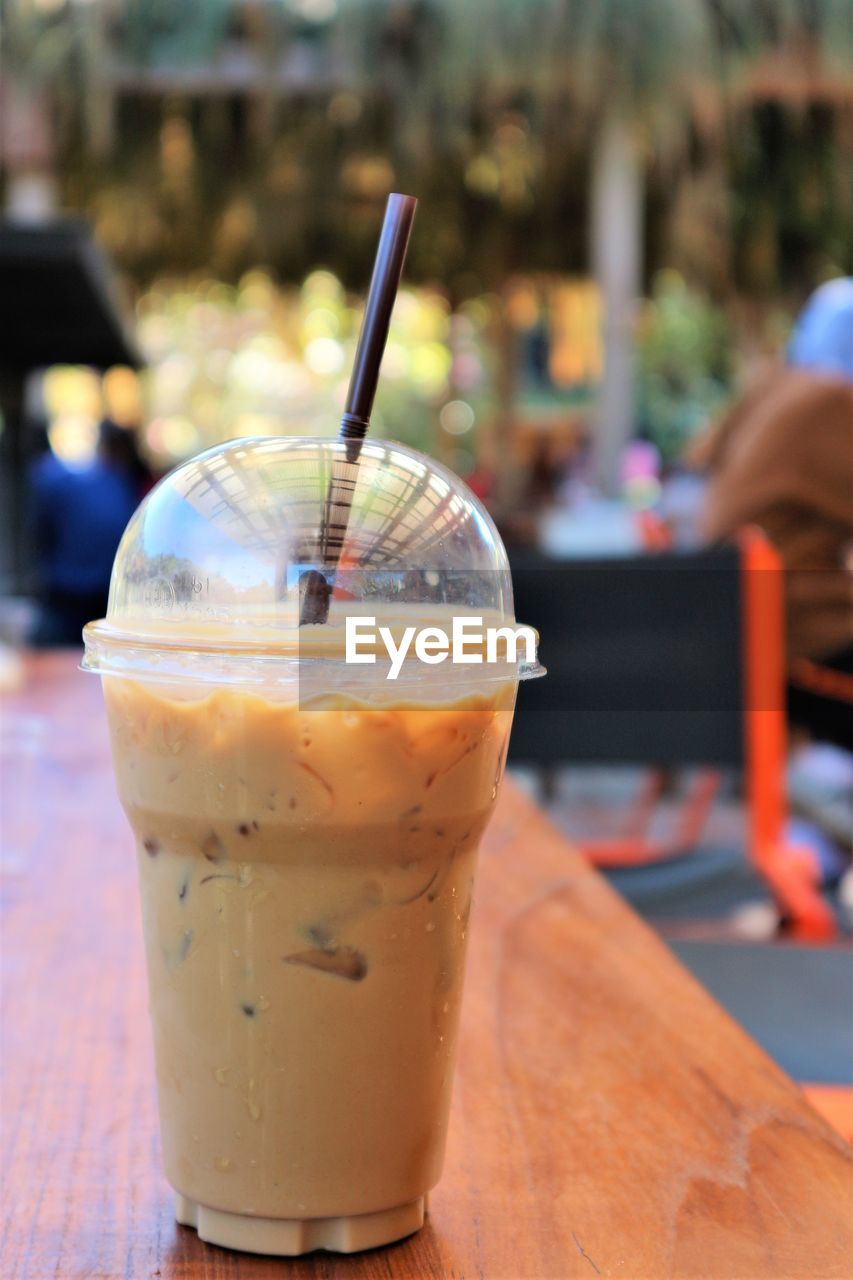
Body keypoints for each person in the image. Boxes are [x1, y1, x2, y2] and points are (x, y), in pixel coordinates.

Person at [28, 420, 150, 647]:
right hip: (99, 593)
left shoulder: (54, 479)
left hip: (70, 591)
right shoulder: (122, 484)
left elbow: (42, 535)